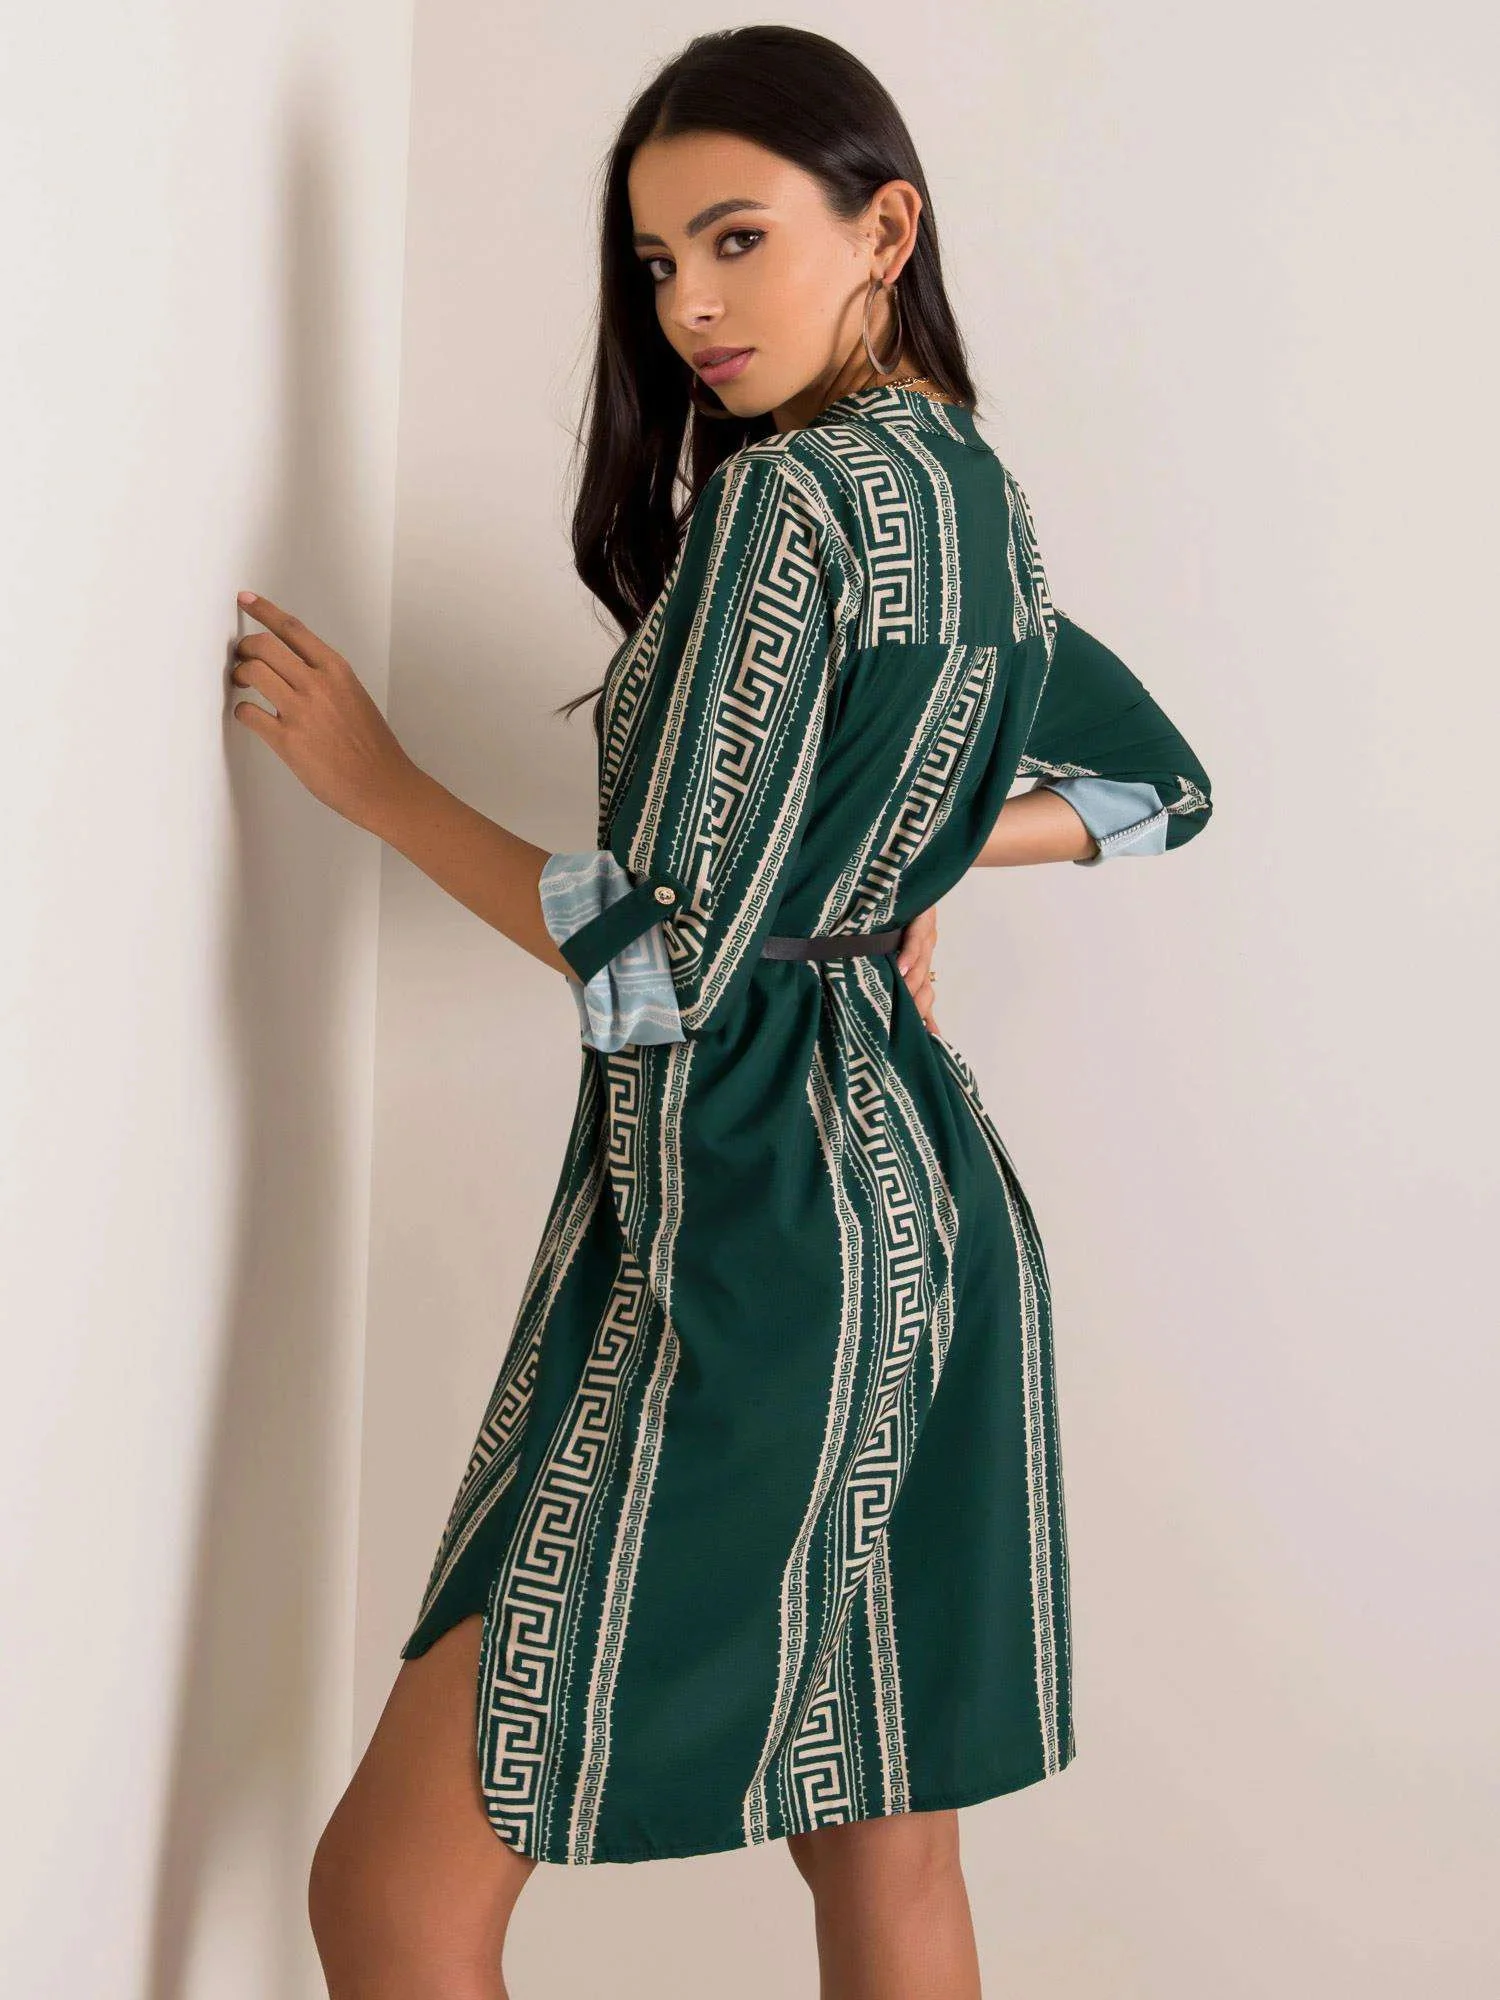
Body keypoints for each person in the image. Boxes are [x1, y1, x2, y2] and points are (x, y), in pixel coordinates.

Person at [229, 26, 1213, 2000]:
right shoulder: (978, 502)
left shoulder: (788, 505)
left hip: (756, 1226)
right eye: (659, 260)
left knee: (392, 1893)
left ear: (886, 229)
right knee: (884, 1857)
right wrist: (888, 880)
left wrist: (381, 785)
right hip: (927, 1210)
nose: (688, 304)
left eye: (737, 238)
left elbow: (657, 967)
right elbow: (1154, 790)